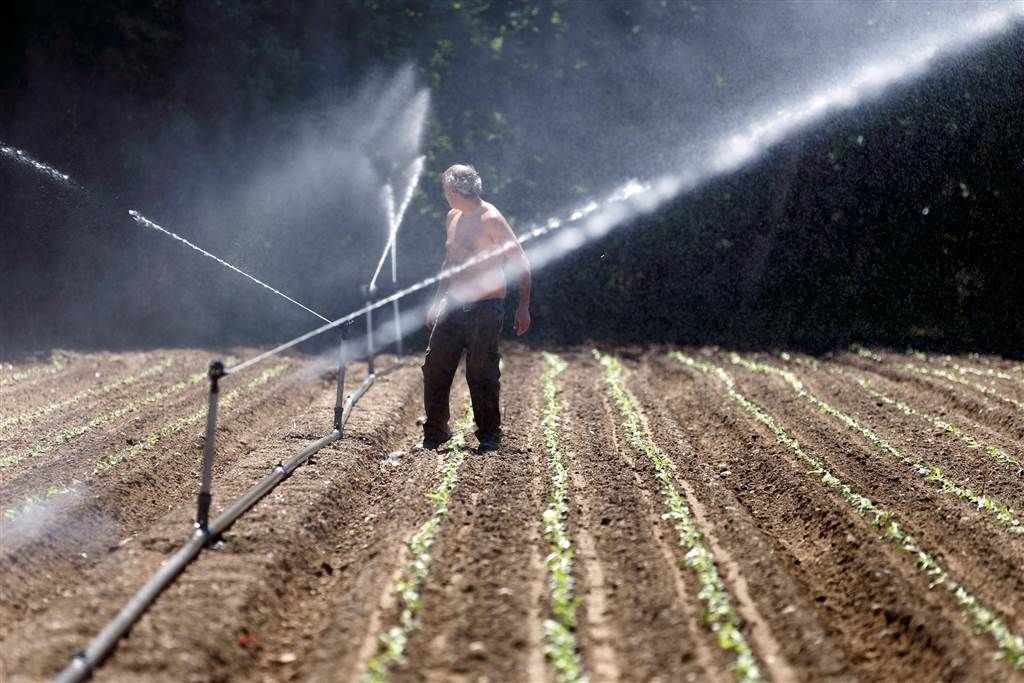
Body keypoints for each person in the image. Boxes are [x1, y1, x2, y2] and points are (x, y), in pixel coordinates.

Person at [421, 163, 531, 452]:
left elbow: (521, 262)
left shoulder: (491, 219)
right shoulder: (453, 217)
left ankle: (489, 434)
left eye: (446, 191)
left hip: (486, 308)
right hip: (453, 305)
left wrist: (523, 307)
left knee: (481, 371)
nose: (445, 196)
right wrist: (437, 301)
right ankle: (435, 432)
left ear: (455, 191)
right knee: (434, 365)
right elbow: (450, 262)